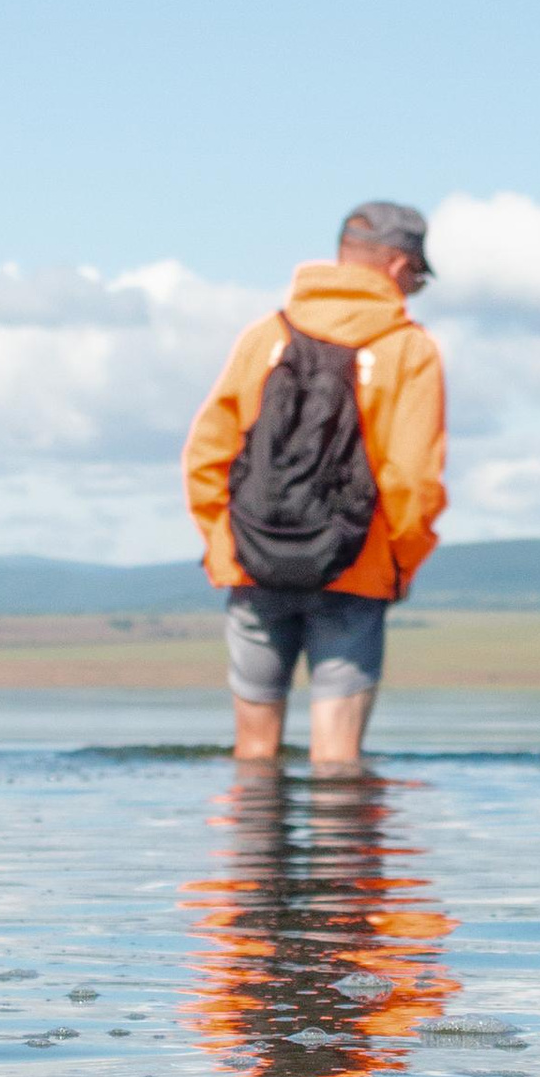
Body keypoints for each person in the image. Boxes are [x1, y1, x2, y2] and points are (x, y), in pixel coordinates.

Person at [183, 200, 446, 769]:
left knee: (252, 755)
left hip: (254, 568)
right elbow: (412, 481)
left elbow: (207, 455)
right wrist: (398, 565)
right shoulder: (409, 350)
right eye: (419, 278)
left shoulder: (264, 338)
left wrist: (227, 548)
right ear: (399, 267)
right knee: (337, 761)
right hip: (358, 573)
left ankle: (251, 858)